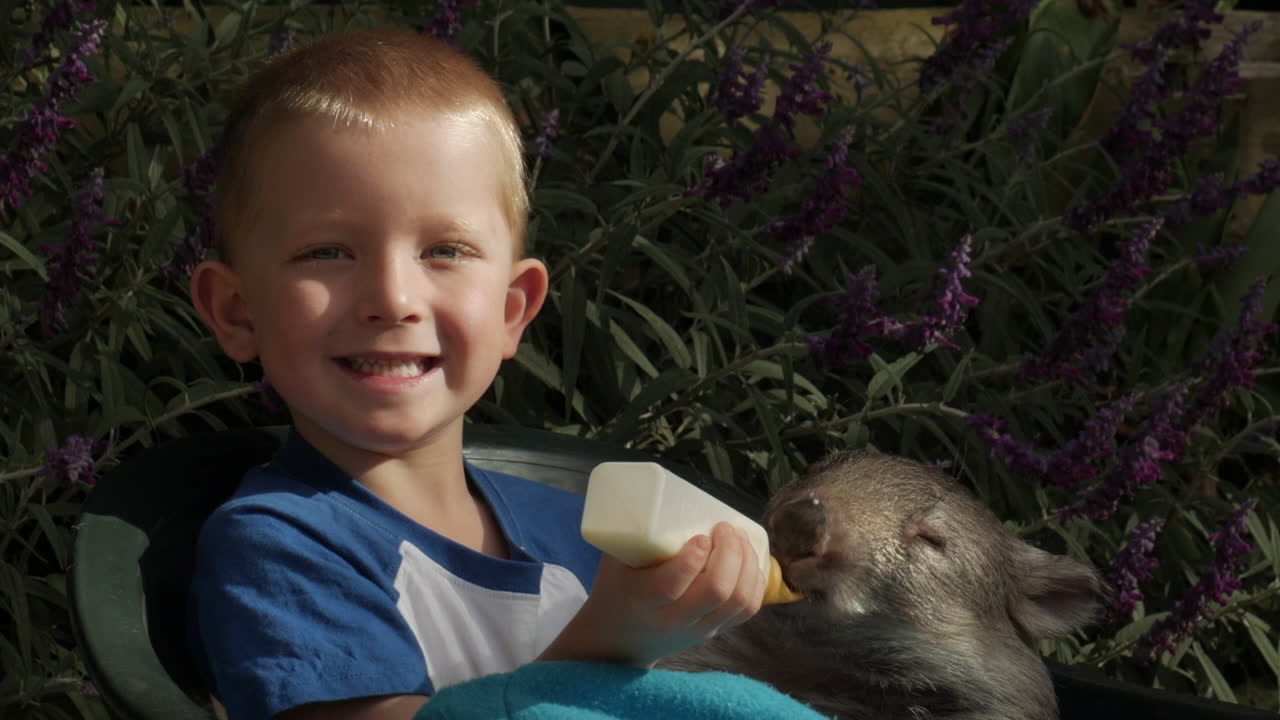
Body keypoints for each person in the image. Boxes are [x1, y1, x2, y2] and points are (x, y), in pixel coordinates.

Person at [185, 27, 766, 720]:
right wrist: (613, 643)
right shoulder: (279, 549)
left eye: (445, 251)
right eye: (328, 251)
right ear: (237, 311)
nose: (393, 299)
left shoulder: (588, 532)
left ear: (512, 310)